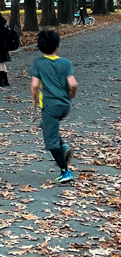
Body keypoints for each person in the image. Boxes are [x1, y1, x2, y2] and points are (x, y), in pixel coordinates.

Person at [30, 29, 77, 184]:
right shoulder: (65, 63)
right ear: (57, 46)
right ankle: (63, 147)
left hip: (50, 106)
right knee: (47, 126)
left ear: (40, 47)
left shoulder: (39, 63)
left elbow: (34, 85)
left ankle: (65, 171)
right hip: (64, 105)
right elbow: (73, 84)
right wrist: (71, 95)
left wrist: (34, 100)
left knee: (50, 140)